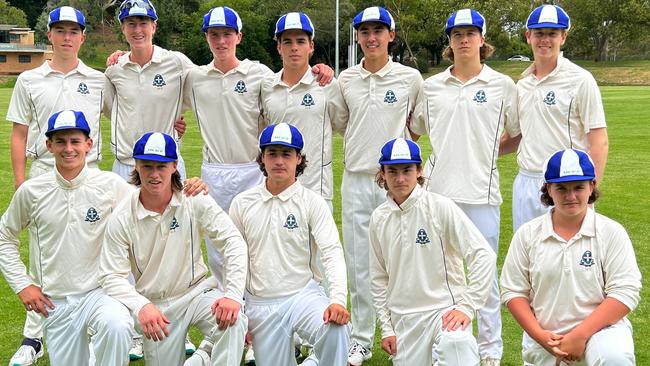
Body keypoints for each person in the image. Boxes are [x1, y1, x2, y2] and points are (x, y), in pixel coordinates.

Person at [410, 9, 519, 366]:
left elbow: (516, 135)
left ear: (482, 40)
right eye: (457, 34)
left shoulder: (502, 86)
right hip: (437, 193)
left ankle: (490, 352)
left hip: (482, 196)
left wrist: (486, 155)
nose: (464, 39)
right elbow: (414, 132)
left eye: (471, 33)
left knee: (484, 277)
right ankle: (448, 347)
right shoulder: (431, 87)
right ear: (450, 41)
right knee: (441, 275)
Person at [5, 7, 114, 364]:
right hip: (43, 170)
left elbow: (127, 112)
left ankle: (96, 328)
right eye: (60, 30)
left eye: (74, 31)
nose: (67, 37)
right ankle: (33, 338)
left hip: (89, 171)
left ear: (83, 37)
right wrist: (22, 182)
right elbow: (20, 133)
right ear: (49, 35)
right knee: (42, 256)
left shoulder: (99, 79)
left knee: (92, 250)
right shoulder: (29, 79)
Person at [99, 132, 248, 366]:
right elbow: (110, 276)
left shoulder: (194, 198)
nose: (154, 174)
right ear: (136, 165)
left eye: (161, 166)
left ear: (174, 166)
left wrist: (232, 295)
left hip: (197, 293)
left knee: (235, 320)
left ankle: (205, 355)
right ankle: (200, 358)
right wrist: (142, 306)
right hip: (155, 306)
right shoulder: (122, 216)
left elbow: (233, 241)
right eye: (147, 166)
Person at [0, 110, 133, 365]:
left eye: (75, 141)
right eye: (60, 141)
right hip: (55, 300)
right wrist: (23, 285)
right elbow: (4, 235)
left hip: (101, 291)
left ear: (89, 144)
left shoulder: (110, 184)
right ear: (49, 145)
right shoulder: (32, 191)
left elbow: (149, 205)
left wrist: (190, 188)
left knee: (117, 326)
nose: (68, 148)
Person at [500, 148, 641, 366]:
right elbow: (513, 291)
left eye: (578, 187)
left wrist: (580, 335)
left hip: (602, 333)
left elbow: (625, 291)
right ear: (548, 188)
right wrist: (540, 336)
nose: (571, 196)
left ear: (592, 186)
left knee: (614, 358)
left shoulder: (611, 232)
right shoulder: (527, 235)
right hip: (547, 340)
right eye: (561, 188)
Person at [337, 6, 423, 365]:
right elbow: (344, 125)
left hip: (397, 182)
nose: (371, 38)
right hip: (357, 178)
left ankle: (401, 336)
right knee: (359, 263)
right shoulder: (346, 80)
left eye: (378, 31)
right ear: (357, 36)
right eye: (364, 31)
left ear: (390, 35)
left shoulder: (410, 78)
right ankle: (360, 338)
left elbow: (417, 125)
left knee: (402, 261)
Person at [229, 123, 350, 365]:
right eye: (272, 154)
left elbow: (332, 252)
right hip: (260, 304)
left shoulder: (312, 202)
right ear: (262, 158)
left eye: (286, 154)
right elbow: (233, 258)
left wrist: (337, 299)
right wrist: (239, 306)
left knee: (335, 329)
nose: (279, 161)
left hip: (302, 296)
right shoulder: (242, 203)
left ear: (298, 159)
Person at [369, 138, 496, 366]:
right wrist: (387, 328)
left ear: (419, 170)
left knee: (457, 344)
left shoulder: (439, 207)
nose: (400, 178)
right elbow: (379, 278)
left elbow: (483, 255)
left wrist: (466, 307)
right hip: (404, 320)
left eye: (407, 170)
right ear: (383, 174)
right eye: (393, 171)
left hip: (444, 312)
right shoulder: (379, 218)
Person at [500, 4, 609, 231]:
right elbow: (516, 137)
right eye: (539, 33)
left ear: (564, 37)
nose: (545, 40)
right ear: (528, 36)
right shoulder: (522, 85)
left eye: (552, 33)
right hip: (527, 183)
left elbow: (599, 140)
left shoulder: (580, 79)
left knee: (569, 256)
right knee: (529, 257)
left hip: (566, 183)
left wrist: (588, 192)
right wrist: (477, 153)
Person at [261, 11, 348, 209]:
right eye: (287, 42)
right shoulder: (267, 86)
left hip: (316, 187)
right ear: (278, 47)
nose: (294, 48)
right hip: (276, 185)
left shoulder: (327, 85)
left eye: (300, 41)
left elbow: (342, 126)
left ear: (311, 46)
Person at [105, 0, 192, 183]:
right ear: (123, 28)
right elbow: (113, 111)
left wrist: (177, 120)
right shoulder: (115, 69)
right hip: (125, 164)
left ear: (154, 26)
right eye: (131, 24)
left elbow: (206, 87)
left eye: (143, 23)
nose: (137, 30)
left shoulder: (176, 63)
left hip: (166, 162)